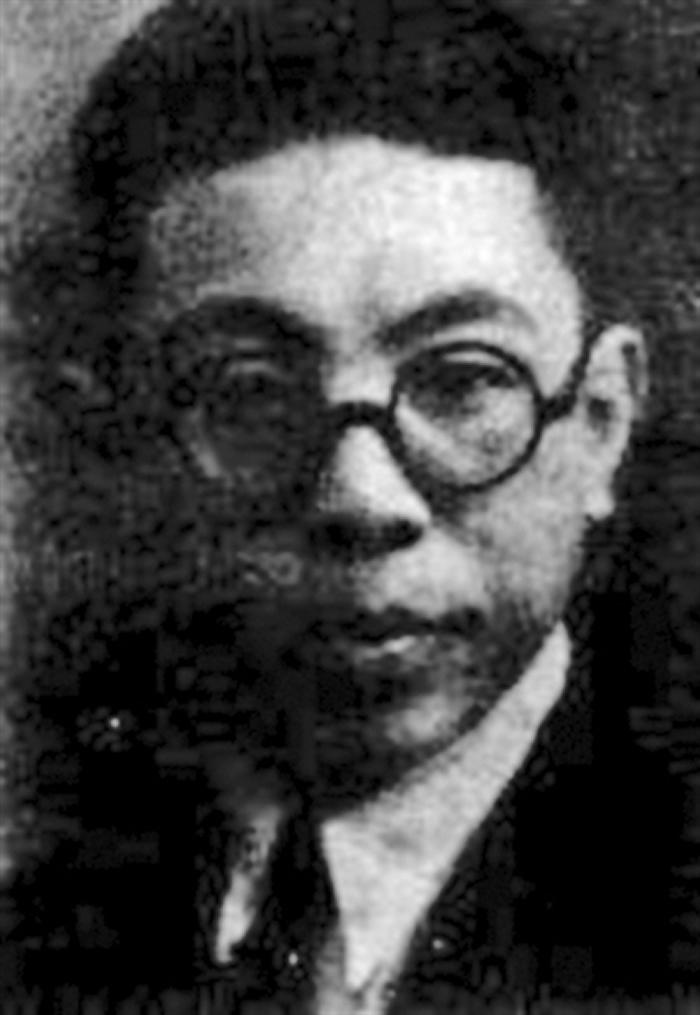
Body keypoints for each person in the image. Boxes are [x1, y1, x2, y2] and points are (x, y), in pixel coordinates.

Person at [15, 0, 676, 1010]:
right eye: (249, 392)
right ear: (129, 441)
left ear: (601, 418)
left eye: (462, 379)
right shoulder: (40, 939)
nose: (362, 499)